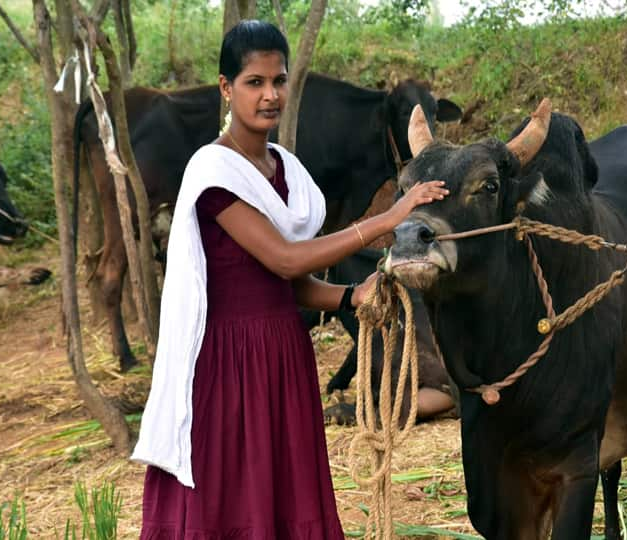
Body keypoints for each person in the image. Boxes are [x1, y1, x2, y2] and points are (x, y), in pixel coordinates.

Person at [131, 19, 448, 539]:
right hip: (226, 364)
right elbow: (283, 259)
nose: (269, 95)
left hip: (283, 354)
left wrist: (352, 294)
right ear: (225, 88)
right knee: (229, 501)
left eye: (278, 81)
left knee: (282, 497)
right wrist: (387, 220)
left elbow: (289, 286)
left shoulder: (286, 171)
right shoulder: (213, 172)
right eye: (254, 82)